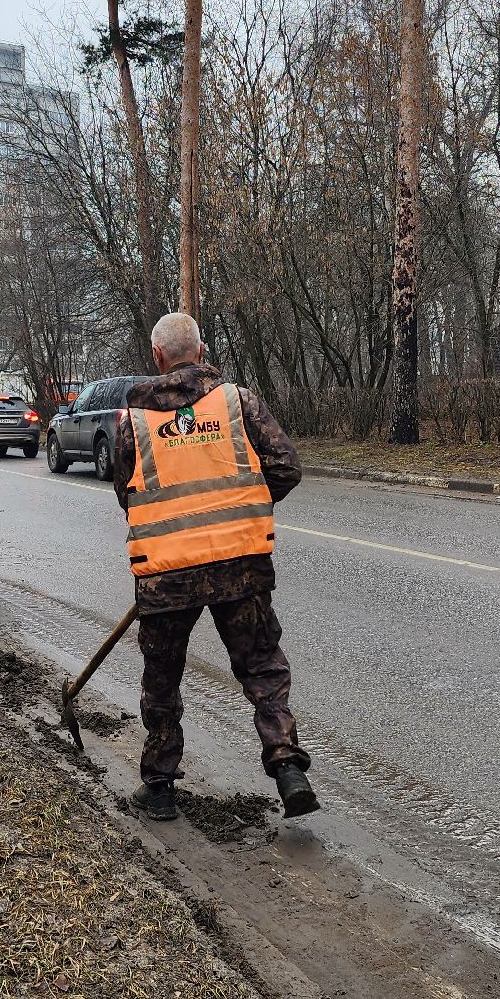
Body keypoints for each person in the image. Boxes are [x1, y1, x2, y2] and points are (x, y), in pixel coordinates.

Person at [111, 313, 316, 822]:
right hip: (239, 566)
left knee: (162, 680)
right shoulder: (237, 401)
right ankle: (287, 766)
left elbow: (125, 493)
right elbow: (286, 465)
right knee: (263, 668)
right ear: (201, 351)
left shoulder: (132, 418)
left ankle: (159, 787)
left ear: (158, 356)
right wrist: (246, 507)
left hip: (166, 573)